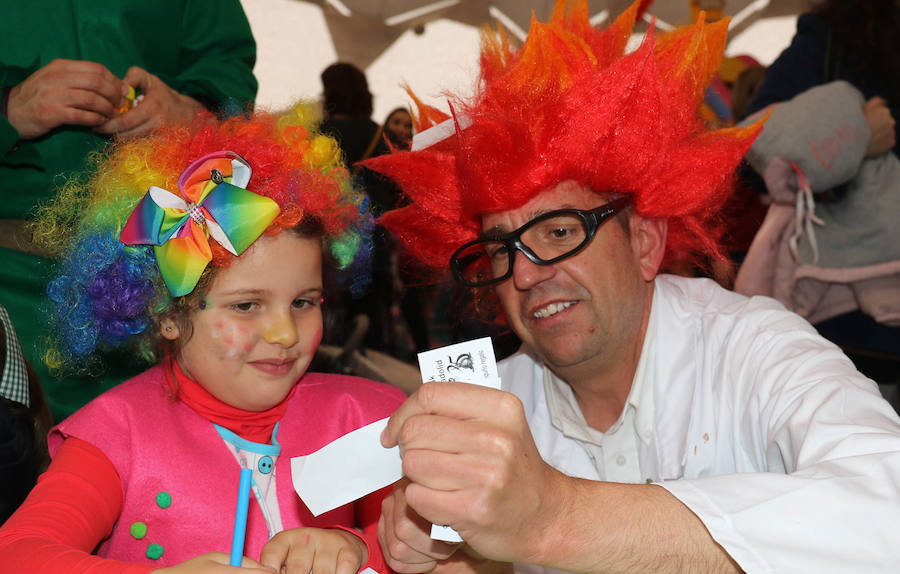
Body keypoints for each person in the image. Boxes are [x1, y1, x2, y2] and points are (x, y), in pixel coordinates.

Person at [361, 1, 900, 572]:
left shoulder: (755, 349)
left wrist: (554, 518)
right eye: (501, 249)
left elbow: (887, 511)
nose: (522, 274)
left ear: (645, 242)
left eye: (559, 231)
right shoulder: (494, 405)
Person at [0, 103, 406, 572]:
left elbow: (430, 542)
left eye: (303, 302)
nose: (284, 332)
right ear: (167, 316)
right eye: (247, 305)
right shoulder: (114, 436)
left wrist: (357, 545)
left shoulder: (367, 420)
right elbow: (18, 553)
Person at [0, 0, 259, 422]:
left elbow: (225, 63)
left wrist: (191, 109)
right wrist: (9, 107)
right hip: (8, 291)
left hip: (161, 279)